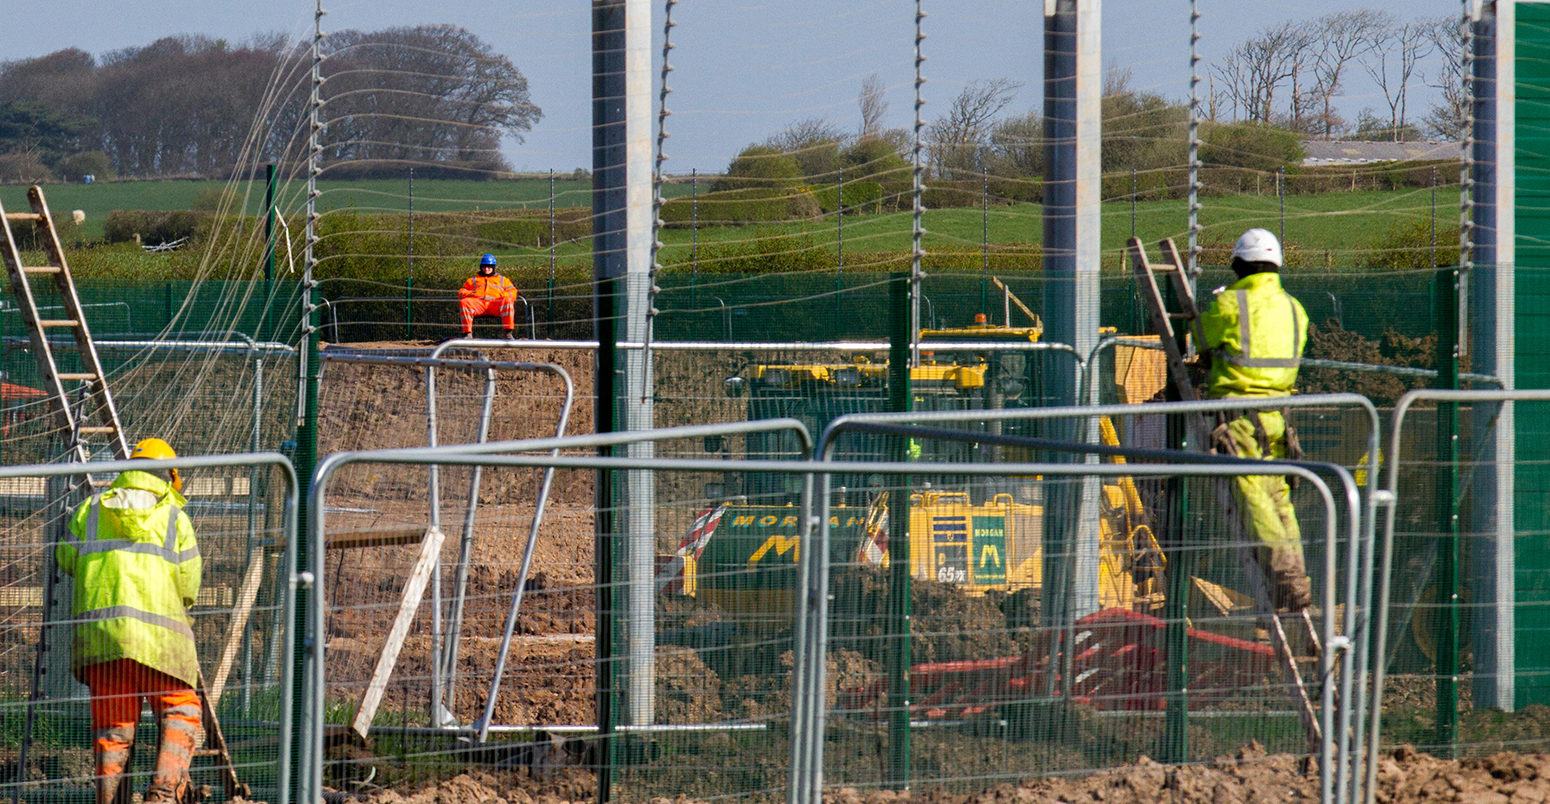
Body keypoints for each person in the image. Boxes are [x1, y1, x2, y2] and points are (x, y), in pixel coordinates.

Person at [58, 438, 202, 804]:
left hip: (101, 639)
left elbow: (66, 560)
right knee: (181, 710)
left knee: (113, 728)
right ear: (169, 476)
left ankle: (110, 801)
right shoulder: (174, 517)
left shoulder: (90, 509)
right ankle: (164, 794)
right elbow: (189, 586)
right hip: (161, 641)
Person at [1198, 228, 1311, 613]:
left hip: (1239, 417)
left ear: (1239, 264)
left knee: (1253, 496)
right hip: (1277, 417)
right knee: (1280, 499)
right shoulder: (1296, 309)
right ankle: (1298, 579)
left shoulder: (1231, 303)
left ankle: (1284, 580)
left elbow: (1199, 337)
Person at [457, 253, 519, 340]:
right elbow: (461, 292)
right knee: (464, 302)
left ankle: (508, 333)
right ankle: (467, 334)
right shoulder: (473, 280)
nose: (486, 269)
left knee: (508, 300)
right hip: (479, 305)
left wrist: (503, 295)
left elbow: (513, 292)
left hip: (495, 305)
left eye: (489, 267)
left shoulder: (502, 280)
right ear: (481, 267)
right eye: (484, 267)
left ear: (493, 267)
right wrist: (469, 293)